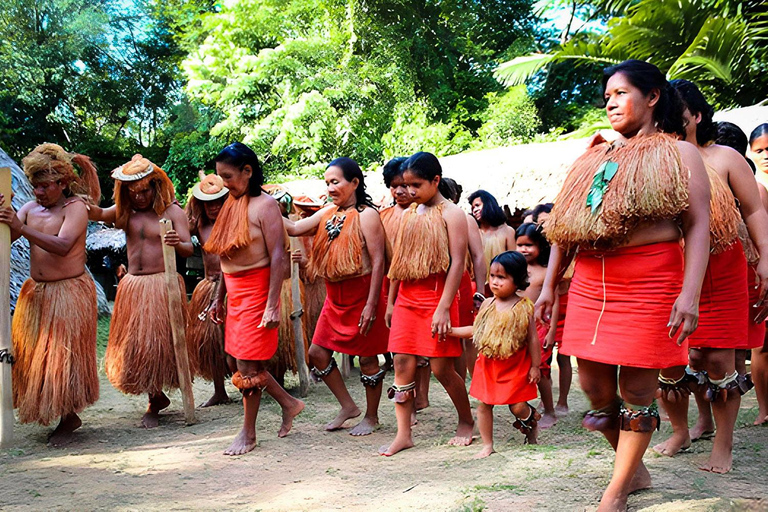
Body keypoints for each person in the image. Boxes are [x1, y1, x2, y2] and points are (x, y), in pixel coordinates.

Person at [536, 60, 710, 512]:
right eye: (607, 95)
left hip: (651, 278)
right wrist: (550, 287)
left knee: (636, 389)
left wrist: (689, 294)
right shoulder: (593, 156)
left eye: (620, 93)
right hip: (593, 279)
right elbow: (564, 227)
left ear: (652, 96)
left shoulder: (679, 154)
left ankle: (616, 491)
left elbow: (698, 225)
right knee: (594, 388)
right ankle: (633, 467)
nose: (610, 102)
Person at [654, 80, 768, 474]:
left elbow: (754, 212)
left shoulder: (725, 159)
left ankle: (723, 445)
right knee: (671, 362)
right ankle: (682, 429)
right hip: (669, 270)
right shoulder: (657, 159)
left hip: (723, 271)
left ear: (697, 116)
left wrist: (766, 257)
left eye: (677, 114)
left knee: (716, 361)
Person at [205, 142, 304, 455]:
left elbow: (279, 255)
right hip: (233, 291)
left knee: (247, 366)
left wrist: (273, 303)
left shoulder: (266, 205)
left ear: (248, 171)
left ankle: (248, 434)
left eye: (229, 176)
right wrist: (217, 297)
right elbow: (225, 254)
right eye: (221, 177)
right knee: (237, 360)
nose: (224, 183)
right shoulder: (232, 203)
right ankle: (289, 403)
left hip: (259, 290)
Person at [0, 143, 100, 446]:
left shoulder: (76, 209)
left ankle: (69, 415)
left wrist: (20, 226)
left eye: (45, 186)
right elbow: (10, 234)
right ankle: (52, 409)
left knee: (63, 357)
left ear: (62, 183)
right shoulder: (29, 209)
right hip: (36, 292)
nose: (39, 193)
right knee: (37, 357)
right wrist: (6, 218)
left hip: (68, 291)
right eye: (35, 186)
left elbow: (63, 245)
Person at [88, 154, 198, 429]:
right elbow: (98, 214)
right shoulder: (125, 212)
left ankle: (162, 398)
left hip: (163, 285)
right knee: (139, 347)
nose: (139, 197)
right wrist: (79, 197)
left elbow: (189, 248)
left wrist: (176, 242)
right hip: (134, 287)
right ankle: (156, 398)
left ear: (156, 186)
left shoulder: (172, 212)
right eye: (133, 192)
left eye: (144, 191)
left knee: (162, 346)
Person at [284, 157, 389, 436]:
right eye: (327, 182)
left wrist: (371, 305)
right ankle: (348, 407)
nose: (330, 187)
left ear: (354, 182)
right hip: (335, 296)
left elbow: (379, 261)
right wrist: (266, 207)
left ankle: (372, 416)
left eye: (336, 181)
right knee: (316, 353)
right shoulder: (327, 212)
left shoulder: (367, 215)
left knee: (367, 359)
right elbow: (294, 229)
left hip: (363, 293)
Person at [380, 151, 474, 456]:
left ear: (435, 180)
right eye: (405, 186)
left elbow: (458, 263)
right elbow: (400, 263)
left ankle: (466, 420)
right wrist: (392, 302)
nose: (409, 192)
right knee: (402, 364)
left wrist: (444, 306)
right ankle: (403, 434)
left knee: (441, 368)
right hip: (408, 297)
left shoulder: (452, 214)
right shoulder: (409, 214)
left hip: (437, 297)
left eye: (416, 185)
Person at [451, 251, 541, 458]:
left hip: (515, 365)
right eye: (492, 276)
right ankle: (487, 444)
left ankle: (531, 424)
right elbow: (477, 330)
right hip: (489, 364)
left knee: (517, 408)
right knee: (484, 405)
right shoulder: (487, 304)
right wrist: (451, 332)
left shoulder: (524, 307)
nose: (495, 282)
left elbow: (533, 339)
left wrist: (535, 366)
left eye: (502, 277)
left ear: (517, 280)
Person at [380, 157, 432, 412]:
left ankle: (422, 395)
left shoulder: (426, 215)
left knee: (420, 349)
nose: (400, 191)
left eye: (405, 185)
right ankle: (408, 401)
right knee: (400, 349)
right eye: (394, 186)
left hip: (420, 286)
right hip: (390, 283)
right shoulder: (383, 217)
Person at [186, 172, 231, 407]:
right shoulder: (199, 224)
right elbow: (182, 224)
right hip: (208, 285)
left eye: (217, 202)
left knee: (234, 340)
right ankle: (219, 391)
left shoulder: (233, 222)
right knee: (210, 341)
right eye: (208, 202)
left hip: (232, 286)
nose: (213, 207)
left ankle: (251, 382)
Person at [442, 177, 486, 379]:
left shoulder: (465, 219)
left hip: (460, 282)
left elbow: (478, 256)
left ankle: (473, 379)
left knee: (461, 335)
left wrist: (481, 292)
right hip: (435, 283)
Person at [516, 222, 557, 429]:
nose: (524, 249)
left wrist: (552, 330)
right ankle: (523, 409)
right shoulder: (514, 269)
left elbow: (555, 301)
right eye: (520, 245)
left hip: (539, 326)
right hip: (516, 327)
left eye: (529, 245)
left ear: (541, 246)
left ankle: (549, 410)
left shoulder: (546, 272)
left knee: (540, 370)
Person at [748, 123, 768, 425]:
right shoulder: (752, 186)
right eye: (760, 150)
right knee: (762, 344)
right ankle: (764, 408)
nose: (766, 155)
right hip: (762, 266)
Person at [468, 190, 515, 291]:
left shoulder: (507, 231)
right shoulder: (472, 233)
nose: (474, 210)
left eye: (477, 205)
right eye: (472, 208)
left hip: (502, 285)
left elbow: (514, 263)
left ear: (489, 204)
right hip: (476, 286)